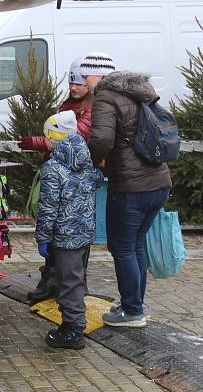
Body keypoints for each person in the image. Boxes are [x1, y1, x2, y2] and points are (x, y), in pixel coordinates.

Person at [87, 68, 172, 328]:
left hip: (130, 186)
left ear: (98, 78)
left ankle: (132, 310)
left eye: (85, 76)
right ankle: (133, 304)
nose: (81, 82)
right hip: (159, 182)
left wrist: (94, 158)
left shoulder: (106, 97)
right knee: (135, 245)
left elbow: (101, 138)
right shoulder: (143, 94)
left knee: (122, 248)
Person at [20, 57, 95, 302]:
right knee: (56, 235)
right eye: (72, 82)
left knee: (65, 237)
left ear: (90, 83)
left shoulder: (90, 109)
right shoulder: (69, 105)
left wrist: (38, 142)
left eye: (80, 83)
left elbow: (68, 138)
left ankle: (69, 290)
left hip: (68, 175)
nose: (74, 87)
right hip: (57, 168)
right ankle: (53, 279)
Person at [36, 111, 104, 349]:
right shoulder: (86, 164)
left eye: (46, 136)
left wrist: (43, 237)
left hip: (65, 239)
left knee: (68, 283)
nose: (43, 140)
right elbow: (97, 179)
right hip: (84, 235)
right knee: (76, 279)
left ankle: (73, 330)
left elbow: (48, 208)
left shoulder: (52, 169)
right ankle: (74, 323)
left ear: (54, 138)